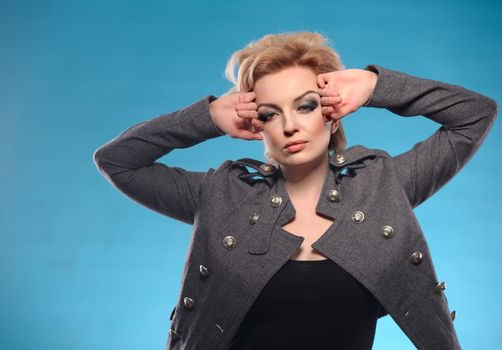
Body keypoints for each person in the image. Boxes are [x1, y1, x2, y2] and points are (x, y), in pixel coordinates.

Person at [93, 31, 498, 350]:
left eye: (305, 106)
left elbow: (475, 115)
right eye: (271, 114)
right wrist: (209, 117)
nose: (289, 125)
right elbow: (117, 161)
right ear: (256, 128)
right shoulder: (220, 195)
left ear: (333, 115)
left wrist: (375, 85)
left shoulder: (383, 187)